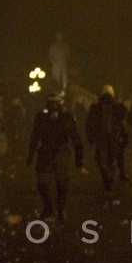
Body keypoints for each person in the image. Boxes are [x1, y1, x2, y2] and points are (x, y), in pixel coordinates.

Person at [27, 93, 84, 221]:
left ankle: (60, 209)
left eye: (55, 103)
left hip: (61, 153)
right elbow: (35, 136)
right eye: (51, 103)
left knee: (62, 183)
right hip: (45, 152)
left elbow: (75, 137)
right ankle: (48, 208)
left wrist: (79, 155)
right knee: (43, 183)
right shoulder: (41, 117)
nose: (53, 106)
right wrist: (31, 153)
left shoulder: (66, 117)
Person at [85, 84, 129, 189]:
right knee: (109, 159)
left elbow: (89, 124)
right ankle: (110, 178)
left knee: (105, 159)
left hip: (105, 137)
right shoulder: (106, 107)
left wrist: (91, 137)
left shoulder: (99, 107)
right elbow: (122, 118)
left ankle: (109, 178)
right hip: (108, 137)